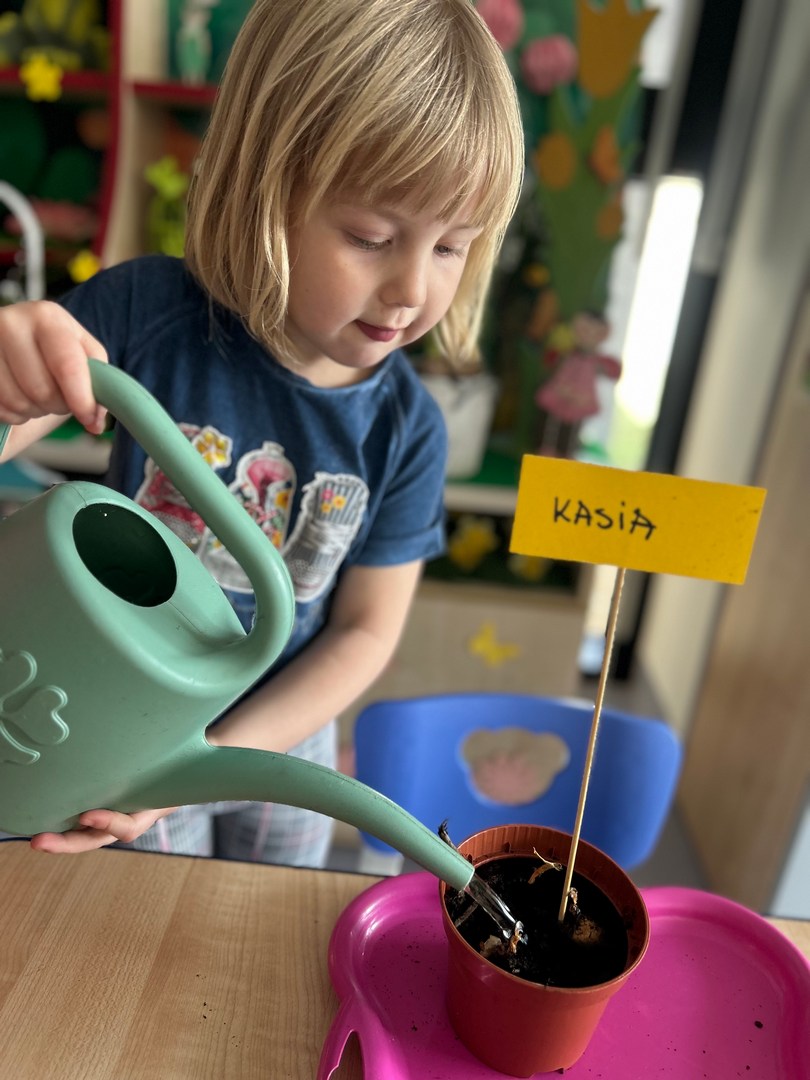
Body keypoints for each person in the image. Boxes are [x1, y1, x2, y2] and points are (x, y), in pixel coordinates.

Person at [0, 0, 524, 864]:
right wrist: (9, 379)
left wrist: (227, 754)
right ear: (264, 188)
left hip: (285, 737)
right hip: (130, 721)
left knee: (265, 919)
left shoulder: (409, 429)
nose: (411, 291)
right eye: (372, 236)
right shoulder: (144, 314)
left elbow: (363, 632)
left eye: (451, 247)